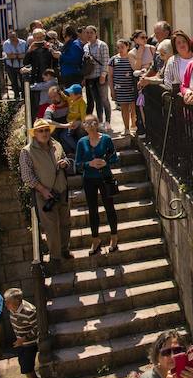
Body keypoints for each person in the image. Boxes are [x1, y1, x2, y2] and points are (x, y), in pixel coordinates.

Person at [19, 119, 72, 263]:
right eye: (41, 131)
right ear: (34, 134)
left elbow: (66, 159)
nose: (44, 133)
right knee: (51, 227)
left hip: (62, 190)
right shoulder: (27, 151)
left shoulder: (57, 145)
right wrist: (42, 190)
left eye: (46, 130)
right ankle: (55, 257)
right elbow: (27, 176)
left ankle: (64, 249)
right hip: (44, 195)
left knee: (65, 223)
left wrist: (65, 163)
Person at [74, 115, 120, 255]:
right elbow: (78, 164)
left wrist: (106, 162)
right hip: (89, 179)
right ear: (84, 126)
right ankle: (95, 239)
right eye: (87, 123)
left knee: (109, 207)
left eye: (93, 122)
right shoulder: (82, 142)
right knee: (92, 209)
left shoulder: (106, 139)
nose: (91, 125)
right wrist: (90, 164)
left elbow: (114, 157)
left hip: (105, 177)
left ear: (97, 123)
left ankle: (114, 236)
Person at [3, 289, 39, 378]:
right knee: (24, 365)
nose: (5, 304)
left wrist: (23, 339)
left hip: (29, 344)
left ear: (17, 301)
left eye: (8, 302)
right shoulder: (12, 308)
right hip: (20, 343)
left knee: (27, 368)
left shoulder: (29, 311)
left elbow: (37, 328)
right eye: (5, 301)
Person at [82, 26, 111, 132]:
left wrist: (103, 75)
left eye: (91, 32)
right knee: (96, 101)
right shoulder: (85, 47)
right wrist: (84, 77)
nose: (89, 35)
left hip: (100, 76)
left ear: (95, 33)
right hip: (90, 77)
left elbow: (106, 61)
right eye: (87, 32)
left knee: (104, 100)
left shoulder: (102, 45)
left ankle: (107, 122)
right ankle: (99, 123)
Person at [109, 39, 137, 135]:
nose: (120, 49)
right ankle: (126, 128)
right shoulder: (113, 60)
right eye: (118, 47)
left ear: (127, 47)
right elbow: (110, 76)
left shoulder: (132, 58)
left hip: (131, 87)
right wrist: (112, 90)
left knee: (133, 109)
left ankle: (134, 126)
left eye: (122, 47)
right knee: (124, 109)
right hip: (120, 89)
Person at [42, 87, 77, 154]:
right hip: (60, 132)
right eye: (51, 97)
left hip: (72, 128)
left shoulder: (69, 103)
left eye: (55, 96)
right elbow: (47, 121)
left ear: (60, 94)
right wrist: (65, 126)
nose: (53, 99)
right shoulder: (51, 108)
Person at [2, 31, 27, 99]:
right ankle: (16, 97)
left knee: (23, 82)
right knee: (14, 82)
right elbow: (9, 55)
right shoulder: (6, 43)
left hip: (22, 66)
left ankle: (24, 97)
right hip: (11, 66)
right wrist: (20, 55)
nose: (12, 38)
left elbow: (25, 54)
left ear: (17, 36)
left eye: (13, 36)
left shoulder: (23, 43)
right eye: (10, 37)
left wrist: (15, 55)